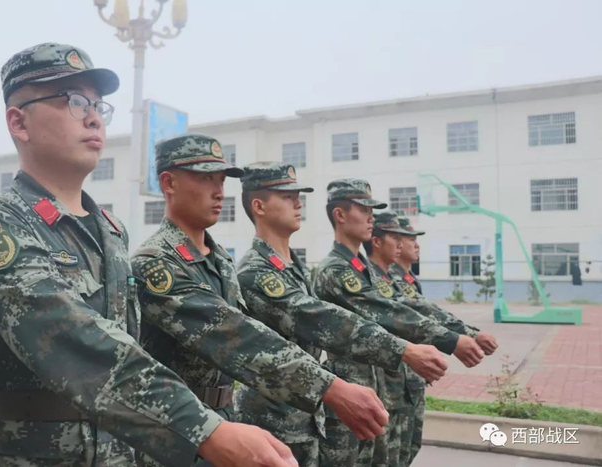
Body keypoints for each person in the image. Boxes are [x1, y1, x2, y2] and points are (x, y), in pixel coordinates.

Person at [0, 42, 302, 467]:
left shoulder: (111, 231)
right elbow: (70, 337)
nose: (94, 117)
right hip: (24, 452)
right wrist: (205, 429)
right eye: (73, 101)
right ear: (19, 122)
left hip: (117, 451)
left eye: (98, 105)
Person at [131, 136, 391, 466]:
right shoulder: (155, 262)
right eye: (205, 178)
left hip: (225, 418)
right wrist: (331, 387)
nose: (219, 191)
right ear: (169, 183)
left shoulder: (220, 260)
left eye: (221, 180)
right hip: (175, 432)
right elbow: (233, 333)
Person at [234, 162, 449, 467]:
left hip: (304, 411)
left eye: (298, 196)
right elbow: (318, 318)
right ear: (259, 206)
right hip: (271, 418)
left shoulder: (293, 267)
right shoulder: (255, 270)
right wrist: (404, 349)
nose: (298, 203)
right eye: (286, 197)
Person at [313, 179, 486, 466]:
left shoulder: (363, 268)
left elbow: (406, 306)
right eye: (363, 209)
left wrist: (460, 334)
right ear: (339, 215)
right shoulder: (335, 269)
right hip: (352, 390)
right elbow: (387, 312)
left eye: (372, 210)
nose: (371, 217)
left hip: (378, 388)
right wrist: (451, 339)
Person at [386, 214, 498, 463]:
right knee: (392, 450)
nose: (415, 245)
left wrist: (466, 334)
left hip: (411, 375)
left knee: (407, 447)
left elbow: (429, 312)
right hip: (396, 377)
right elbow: (420, 314)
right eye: (408, 239)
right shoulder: (389, 279)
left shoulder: (407, 278)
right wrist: (466, 335)